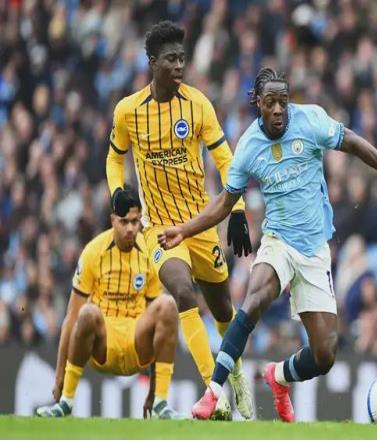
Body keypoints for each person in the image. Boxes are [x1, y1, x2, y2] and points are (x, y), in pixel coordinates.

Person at [158, 67, 377, 422]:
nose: (278, 109)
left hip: (315, 249)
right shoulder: (249, 146)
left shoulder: (311, 120)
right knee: (256, 298)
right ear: (258, 103)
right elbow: (225, 201)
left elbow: (353, 142)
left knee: (325, 354)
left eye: (283, 102)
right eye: (270, 102)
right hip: (278, 241)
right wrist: (184, 230)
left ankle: (279, 376)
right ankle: (214, 391)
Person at [105, 20, 253, 419]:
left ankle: (237, 374)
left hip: (200, 224)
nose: (179, 66)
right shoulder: (129, 112)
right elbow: (114, 158)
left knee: (223, 312)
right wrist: (116, 191)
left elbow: (226, 160)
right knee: (183, 293)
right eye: (171, 59)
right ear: (152, 63)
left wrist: (237, 209)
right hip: (159, 229)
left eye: (182, 59)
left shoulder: (198, 104)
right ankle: (214, 392)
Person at [36, 189, 180, 418]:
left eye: (135, 221)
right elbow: (71, 318)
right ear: (113, 220)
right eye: (124, 222)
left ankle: (161, 403)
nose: (130, 228)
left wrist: (152, 392)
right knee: (86, 313)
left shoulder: (149, 252)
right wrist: (59, 375)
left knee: (168, 305)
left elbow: (158, 326)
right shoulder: (93, 252)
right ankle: (66, 402)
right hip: (103, 347)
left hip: (136, 344)